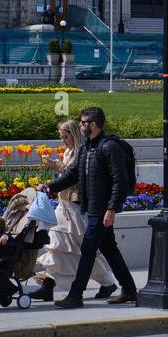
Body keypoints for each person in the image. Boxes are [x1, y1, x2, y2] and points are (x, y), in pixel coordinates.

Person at [39, 107, 139, 309]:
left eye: (83, 122)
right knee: (109, 248)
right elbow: (72, 175)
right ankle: (128, 289)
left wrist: (112, 208)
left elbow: (120, 180)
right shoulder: (87, 147)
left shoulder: (109, 148)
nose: (81, 125)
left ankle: (76, 295)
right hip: (93, 207)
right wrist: (50, 187)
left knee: (88, 249)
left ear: (93, 125)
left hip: (103, 209)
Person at [30, 119, 118, 302]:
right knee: (56, 245)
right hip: (63, 205)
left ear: (74, 134)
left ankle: (108, 282)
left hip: (75, 207)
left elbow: (78, 178)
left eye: (66, 136)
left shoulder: (81, 151)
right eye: (61, 137)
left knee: (82, 249)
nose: (63, 140)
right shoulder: (69, 151)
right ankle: (48, 285)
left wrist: (59, 168)